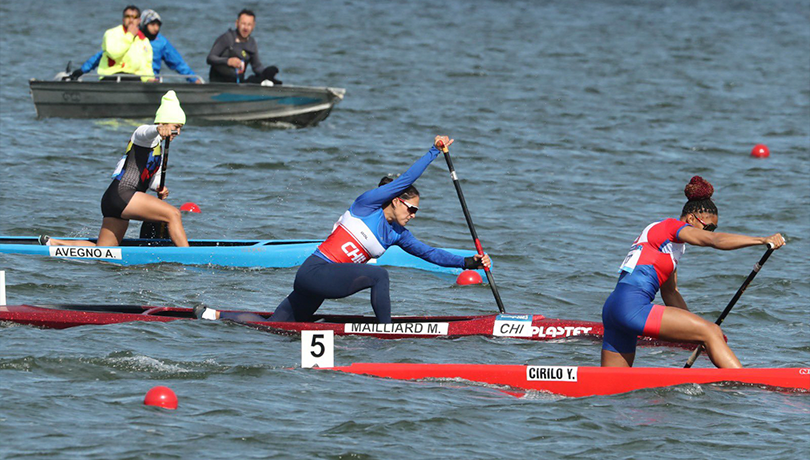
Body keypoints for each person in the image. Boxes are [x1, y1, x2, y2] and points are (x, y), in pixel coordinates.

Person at [195, 136, 490, 323]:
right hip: (314, 272)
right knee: (380, 275)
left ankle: (212, 315)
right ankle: (385, 333)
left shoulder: (397, 235)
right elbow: (405, 179)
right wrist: (433, 151)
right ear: (396, 200)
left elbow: (431, 254)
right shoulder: (367, 205)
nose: (413, 215)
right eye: (411, 209)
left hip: (322, 283)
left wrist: (469, 262)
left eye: (416, 212)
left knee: (275, 327)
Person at [600, 176, 786, 369]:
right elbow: (714, 241)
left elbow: (670, 293)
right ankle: (745, 383)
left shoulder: (665, 243)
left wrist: (692, 330)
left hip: (614, 308)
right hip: (632, 308)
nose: (709, 232)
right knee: (712, 331)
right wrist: (762, 240)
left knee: (612, 383)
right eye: (708, 227)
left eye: (713, 229)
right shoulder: (671, 226)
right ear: (690, 219)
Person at [43, 91, 189, 248]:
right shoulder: (144, 137)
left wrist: (159, 188)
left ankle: (54, 243)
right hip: (123, 195)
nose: (178, 132)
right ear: (163, 122)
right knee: (173, 214)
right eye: (176, 127)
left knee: (104, 251)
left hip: (114, 200)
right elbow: (144, 131)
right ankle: (188, 255)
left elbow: (151, 179)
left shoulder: (158, 149)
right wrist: (158, 129)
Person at [69, 9, 201, 83]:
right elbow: (103, 56)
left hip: (150, 81)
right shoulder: (132, 38)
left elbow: (178, 63)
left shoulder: (161, 42)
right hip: (130, 79)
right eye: (152, 24)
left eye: (158, 25)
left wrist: (193, 79)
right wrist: (82, 70)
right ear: (143, 24)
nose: (155, 28)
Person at [206, 9, 282, 85]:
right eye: (243, 24)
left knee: (259, 78)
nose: (246, 28)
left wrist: (266, 74)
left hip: (238, 83)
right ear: (237, 23)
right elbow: (210, 58)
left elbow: (256, 67)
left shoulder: (251, 43)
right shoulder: (227, 38)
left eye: (249, 25)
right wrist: (228, 61)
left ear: (253, 26)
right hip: (219, 82)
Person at [96, 5, 154, 82]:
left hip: (134, 78)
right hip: (111, 76)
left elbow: (146, 65)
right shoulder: (111, 33)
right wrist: (130, 35)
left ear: (139, 20)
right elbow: (114, 53)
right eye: (128, 17)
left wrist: (149, 79)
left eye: (134, 17)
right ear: (123, 19)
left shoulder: (144, 40)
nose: (131, 20)